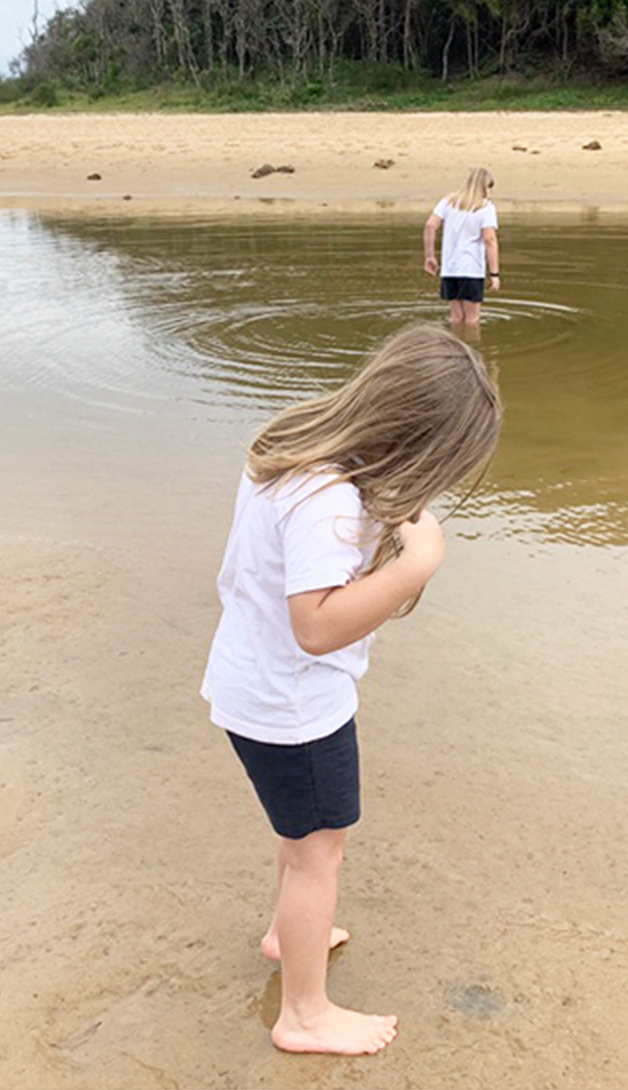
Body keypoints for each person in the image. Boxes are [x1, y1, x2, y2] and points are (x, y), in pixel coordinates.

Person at [200, 323, 503, 1056]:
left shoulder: (302, 438)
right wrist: (412, 568)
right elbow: (314, 625)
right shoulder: (330, 500)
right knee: (319, 851)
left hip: (257, 683)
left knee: (300, 833)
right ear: (419, 442)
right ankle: (304, 1015)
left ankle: (287, 932)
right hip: (294, 702)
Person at [423, 167, 500, 327]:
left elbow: (430, 225)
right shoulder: (485, 207)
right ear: (485, 187)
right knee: (472, 321)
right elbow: (490, 240)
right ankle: (471, 348)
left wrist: (430, 256)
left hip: (450, 269)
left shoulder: (448, 201)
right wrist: (494, 273)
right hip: (471, 269)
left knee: (456, 319)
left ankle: (455, 348)